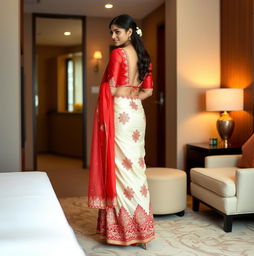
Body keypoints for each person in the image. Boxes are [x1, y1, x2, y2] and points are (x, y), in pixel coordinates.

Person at [88, 14, 154, 249]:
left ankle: (125, 231)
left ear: (130, 32)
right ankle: (142, 229)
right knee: (136, 168)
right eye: (111, 32)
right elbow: (148, 91)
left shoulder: (118, 54)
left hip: (120, 114)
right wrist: (132, 95)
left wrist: (113, 91)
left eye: (117, 32)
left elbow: (113, 89)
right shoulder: (144, 56)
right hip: (136, 113)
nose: (114, 36)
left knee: (119, 169)